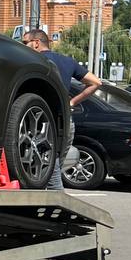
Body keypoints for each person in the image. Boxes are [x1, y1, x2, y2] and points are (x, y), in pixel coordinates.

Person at [22, 29, 102, 189]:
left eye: (25, 43)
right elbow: (96, 82)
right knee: (52, 166)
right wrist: (71, 102)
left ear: (36, 43)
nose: (22, 46)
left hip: (38, 123)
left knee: (45, 168)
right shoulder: (67, 61)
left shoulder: (31, 60)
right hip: (64, 122)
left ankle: (52, 203)